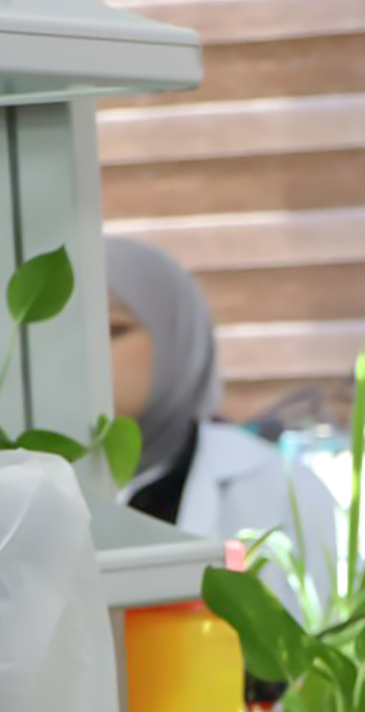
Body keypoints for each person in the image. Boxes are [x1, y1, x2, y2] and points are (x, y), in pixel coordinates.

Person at [105, 236, 338, 613]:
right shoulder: (18, 487)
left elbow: (321, 634)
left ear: (175, 336)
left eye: (112, 329)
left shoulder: (278, 487)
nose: (82, 352)